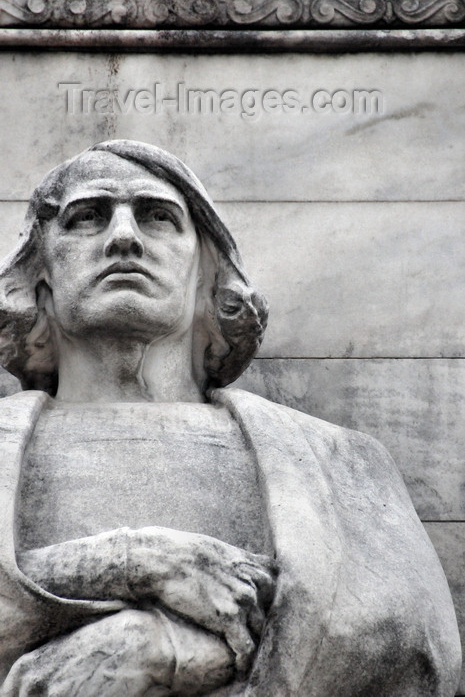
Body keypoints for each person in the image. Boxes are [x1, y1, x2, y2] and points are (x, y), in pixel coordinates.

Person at [0, 140, 461, 697]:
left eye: (159, 217)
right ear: (41, 275)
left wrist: (163, 651)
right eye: (88, 217)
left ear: (207, 276)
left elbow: (419, 652)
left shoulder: (338, 461)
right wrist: (134, 562)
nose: (124, 236)